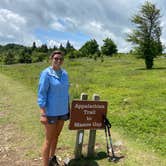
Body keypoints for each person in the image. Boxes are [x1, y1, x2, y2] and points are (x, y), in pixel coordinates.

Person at [37, 50, 70, 166]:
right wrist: (43, 113)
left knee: (56, 136)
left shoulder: (65, 74)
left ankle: (52, 159)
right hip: (51, 112)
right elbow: (42, 94)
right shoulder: (46, 73)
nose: (58, 61)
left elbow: (66, 93)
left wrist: (68, 109)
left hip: (63, 111)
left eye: (60, 59)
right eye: (56, 58)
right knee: (48, 139)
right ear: (51, 59)